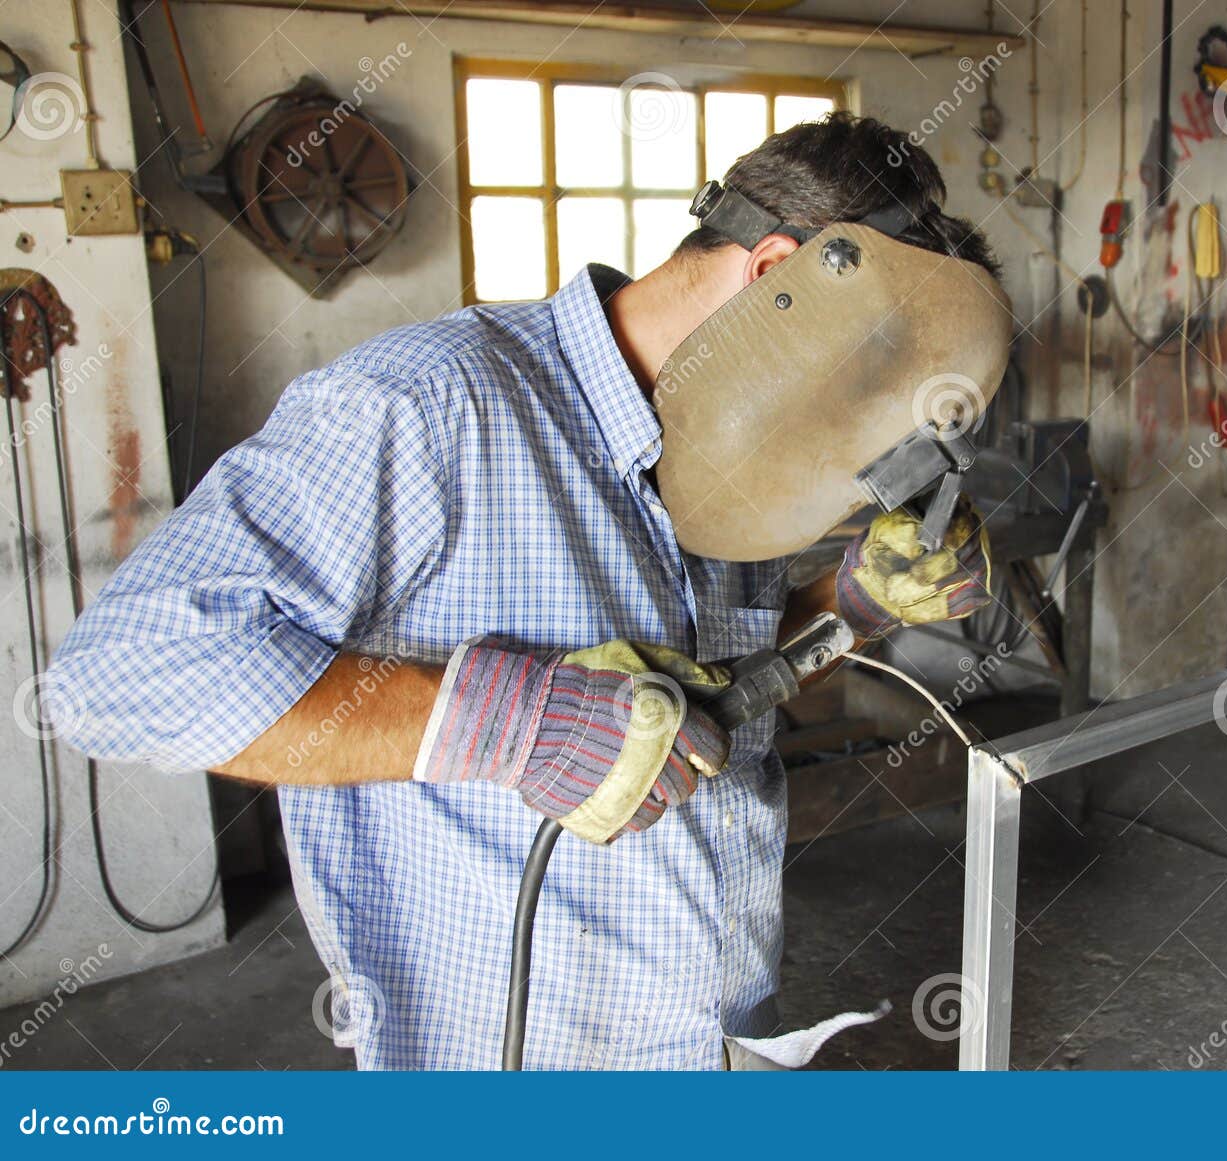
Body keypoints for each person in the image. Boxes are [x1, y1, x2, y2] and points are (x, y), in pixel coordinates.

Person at [45, 112, 1009, 1069]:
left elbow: (702, 705)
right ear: (774, 280)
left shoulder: (734, 446)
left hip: (720, 1026)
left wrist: (847, 608)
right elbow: (120, 676)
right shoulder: (428, 404)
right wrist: (513, 722)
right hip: (516, 1051)